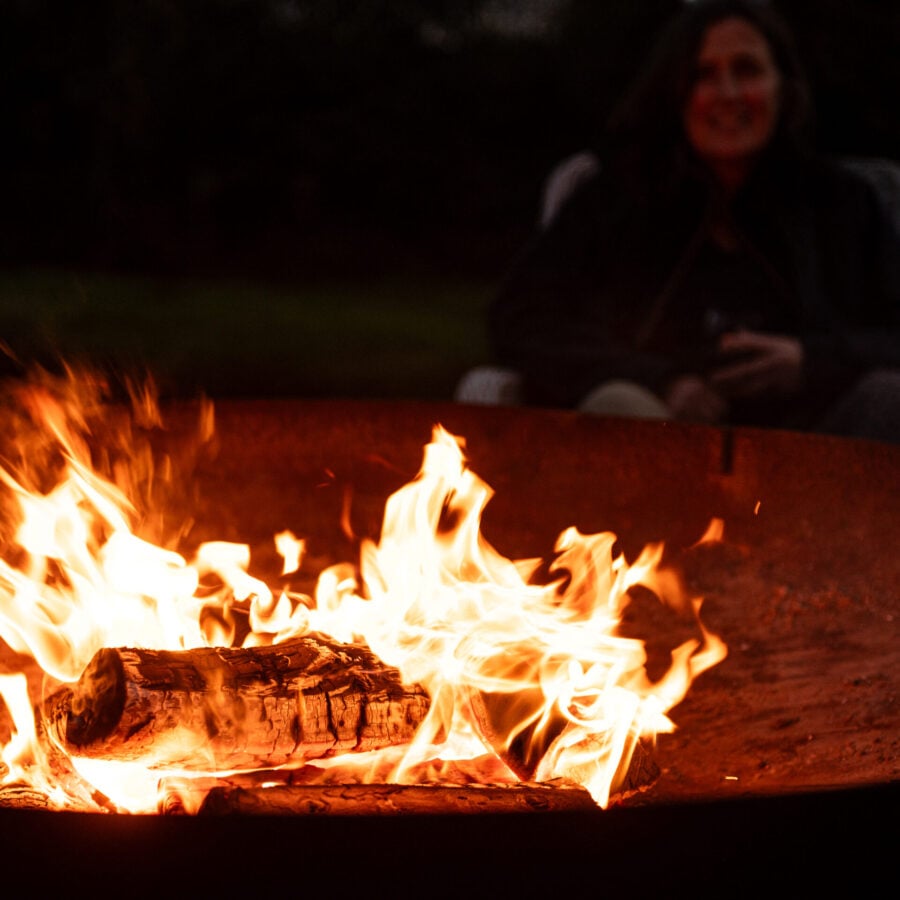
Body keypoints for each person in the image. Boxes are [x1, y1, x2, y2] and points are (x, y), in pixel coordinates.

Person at [486, 0, 900, 442]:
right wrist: (660, 379)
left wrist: (811, 361)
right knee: (619, 405)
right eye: (704, 74)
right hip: (662, 437)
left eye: (747, 70)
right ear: (675, 91)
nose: (728, 93)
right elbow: (522, 317)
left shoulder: (840, 203)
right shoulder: (617, 197)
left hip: (812, 442)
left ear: (783, 85)